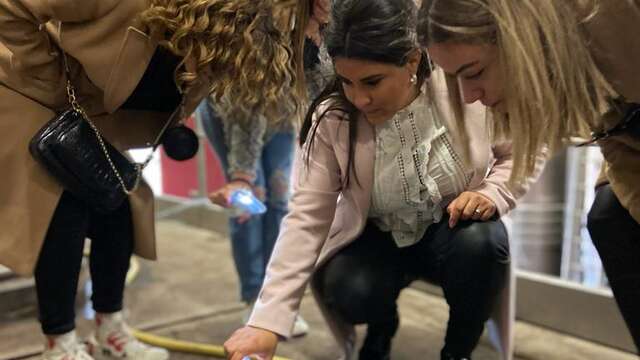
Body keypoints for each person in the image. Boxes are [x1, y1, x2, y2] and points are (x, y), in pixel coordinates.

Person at [223, 0, 543, 359]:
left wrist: (493, 191)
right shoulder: (333, 118)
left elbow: (522, 152)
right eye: (347, 82)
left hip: (451, 233)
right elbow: (308, 218)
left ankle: (458, 351)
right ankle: (381, 325)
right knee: (349, 290)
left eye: (373, 81)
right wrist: (266, 322)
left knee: (482, 244)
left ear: (411, 60)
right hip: (377, 236)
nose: (359, 98)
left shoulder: (463, 88)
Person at [0, 1, 310, 359]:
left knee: (119, 217)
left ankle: (110, 329)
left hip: (96, 124)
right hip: (39, 106)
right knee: (61, 218)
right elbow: (12, 7)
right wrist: (49, 76)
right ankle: (60, 344)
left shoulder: (229, 42)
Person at [417, 0, 640, 352]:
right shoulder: (573, 70)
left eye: (474, 72)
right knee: (610, 216)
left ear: (519, 36)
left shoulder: (612, 18)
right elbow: (619, 142)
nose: (469, 97)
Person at [199, 0, 332, 338]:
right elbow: (248, 107)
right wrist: (241, 175)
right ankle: (253, 299)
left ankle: (276, 302)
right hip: (234, 108)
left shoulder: (327, 20)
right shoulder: (262, 17)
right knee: (249, 201)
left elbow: (320, 90)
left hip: (281, 108)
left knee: (279, 197)